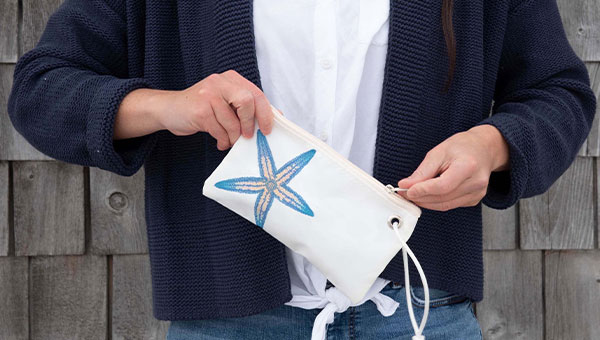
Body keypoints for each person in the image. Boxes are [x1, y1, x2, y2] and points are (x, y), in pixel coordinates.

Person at [7, 0, 596, 339]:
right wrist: (168, 105)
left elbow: (558, 92)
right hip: (230, 323)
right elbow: (41, 90)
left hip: (419, 313)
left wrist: (492, 146)